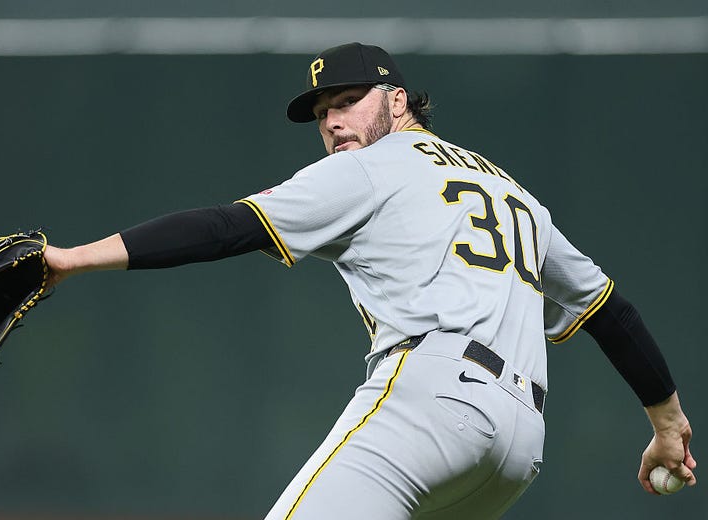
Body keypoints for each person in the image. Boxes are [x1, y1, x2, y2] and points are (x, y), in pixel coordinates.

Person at [43, 43, 696, 518]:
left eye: (349, 101)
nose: (332, 121)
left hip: (433, 401)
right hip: (519, 445)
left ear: (398, 101)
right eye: (323, 110)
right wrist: (668, 426)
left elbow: (225, 227)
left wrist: (73, 258)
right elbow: (609, 310)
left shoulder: (370, 168)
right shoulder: (512, 193)